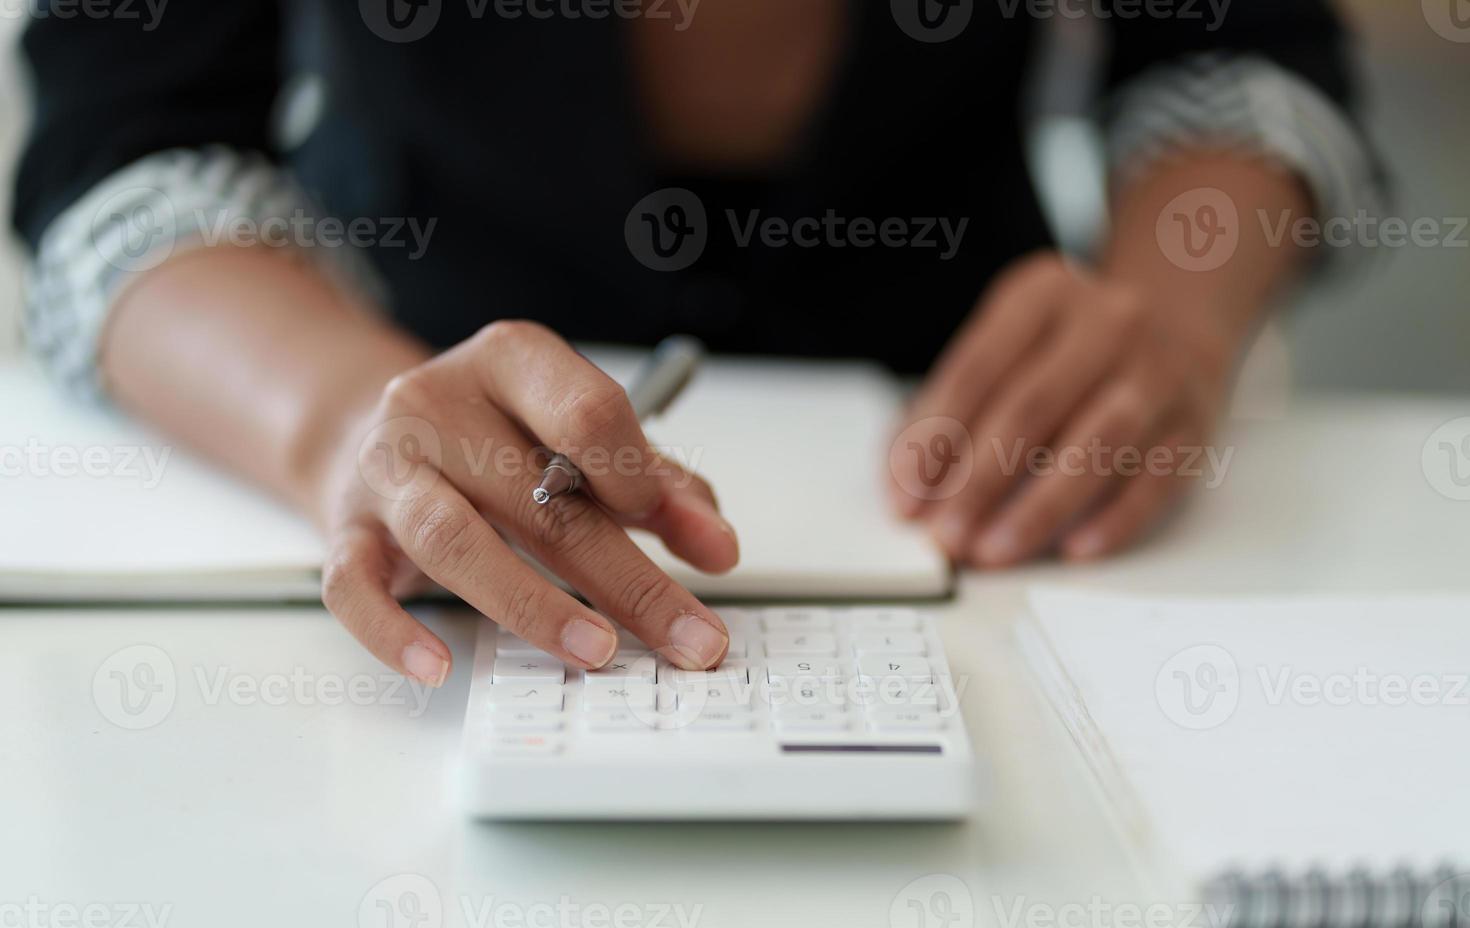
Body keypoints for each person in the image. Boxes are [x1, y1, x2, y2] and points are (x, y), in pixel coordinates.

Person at [11, 2, 1379, 687]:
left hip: (991, 465)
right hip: (393, 386)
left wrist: (1176, 317)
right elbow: (128, 139)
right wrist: (336, 425)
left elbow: (1245, 51)